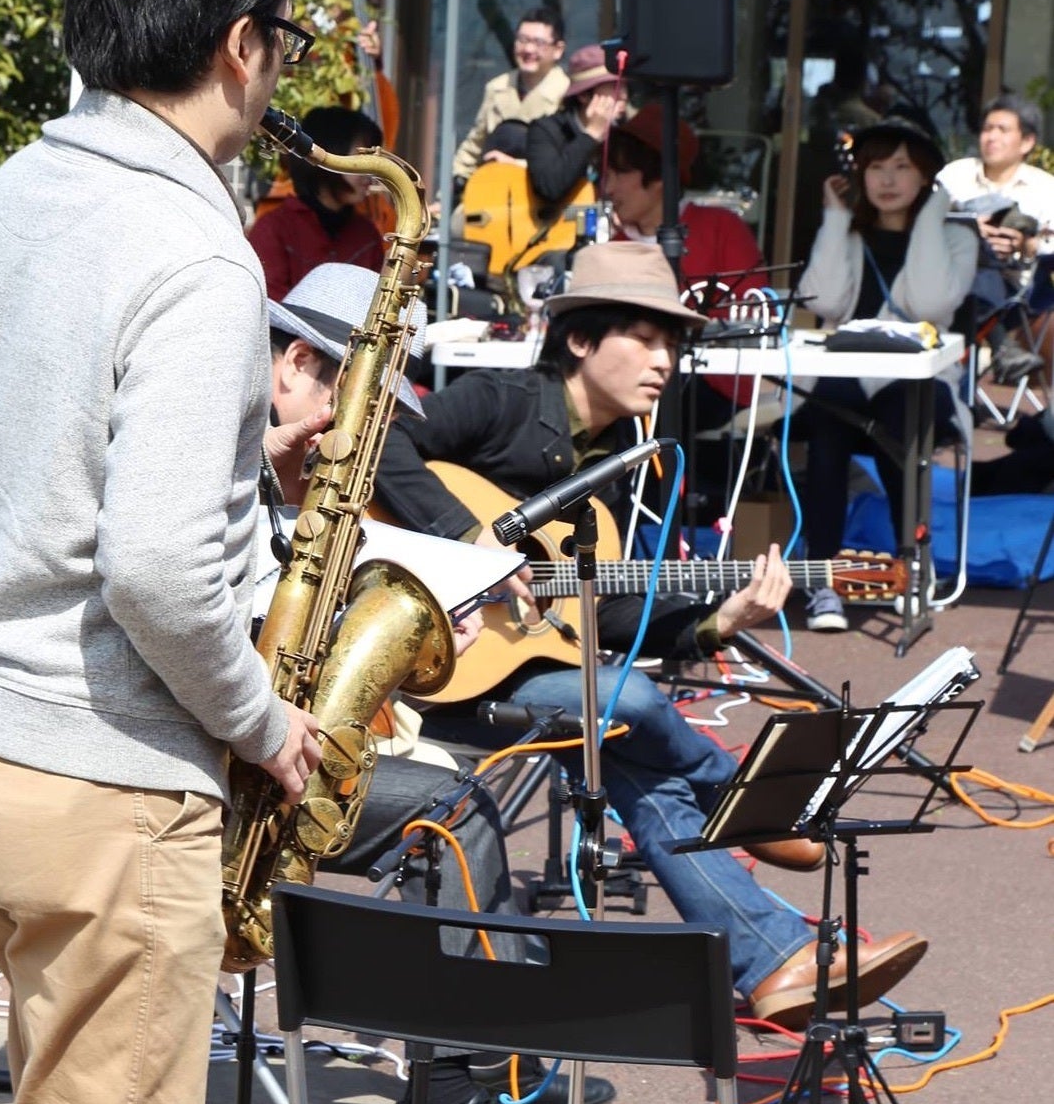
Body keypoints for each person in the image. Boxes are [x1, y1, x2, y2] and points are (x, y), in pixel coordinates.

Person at [0, 0, 325, 1104]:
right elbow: (153, 568)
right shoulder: (195, 251)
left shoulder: (10, 195)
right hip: (104, 769)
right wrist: (261, 721)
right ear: (240, 42)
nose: (282, 69)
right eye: (286, 37)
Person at [374, 241, 929, 1034]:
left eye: (671, 343)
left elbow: (599, 613)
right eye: (642, 338)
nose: (663, 360)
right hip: (426, 663)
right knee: (626, 699)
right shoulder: (499, 400)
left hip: (523, 671)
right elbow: (378, 440)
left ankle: (772, 961)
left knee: (633, 751)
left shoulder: (629, 460)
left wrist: (718, 621)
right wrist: (468, 537)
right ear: (578, 339)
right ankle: (738, 799)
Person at [266, 262, 616, 1104]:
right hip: (232, 753)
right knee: (451, 811)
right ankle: (462, 1083)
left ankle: (489, 1054)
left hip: (266, 738)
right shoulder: (226, 460)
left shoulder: (286, 463)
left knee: (459, 796)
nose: (362, 441)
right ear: (296, 364)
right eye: (356, 407)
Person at [796, 116, 978, 632]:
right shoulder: (849, 232)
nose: (888, 179)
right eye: (876, 167)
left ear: (926, 176)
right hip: (846, 380)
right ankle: (824, 578)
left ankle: (912, 566)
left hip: (923, 385)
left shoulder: (956, 237)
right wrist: (835, 219)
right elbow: (822, 302)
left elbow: (932, 304)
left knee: (904, 415)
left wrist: (932, 216)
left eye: (902, 167)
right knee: (827, 422)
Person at [602, 101, 769, 434]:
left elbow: (751, 315)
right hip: (628, 381)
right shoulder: (612, 243)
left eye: (620, 173)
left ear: (659, 177)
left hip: (711, 382)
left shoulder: (721, 227)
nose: (608, 188)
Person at [937, 93, 1054, 383]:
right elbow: (923, 222)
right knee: (971, 245)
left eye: (1002, 130)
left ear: (1027, 142)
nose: (991, 137)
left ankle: (961, 385)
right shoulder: (955, 176)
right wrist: (968, 229)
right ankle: (1001, 347)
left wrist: (1026, 245)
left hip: (1017, 292)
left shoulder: (1045, 188)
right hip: (948, 280)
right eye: (987, 129)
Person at [248, 104, 387, 301]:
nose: (371, 174)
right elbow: (271, 309)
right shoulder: (273, 229)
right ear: (333, 152)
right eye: (362, 158)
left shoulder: (367, 233)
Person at [451, 7, 569, 197]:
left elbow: (567, 162)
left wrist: (514, 165)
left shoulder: (568, 94)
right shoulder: (496, 88)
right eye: (522, 40)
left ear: (558, 49)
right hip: (492, 194)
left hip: (544, 200)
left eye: (538, 43)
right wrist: (448, 195)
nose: (528, 49)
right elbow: (474, 147)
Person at [525, 42, 629, 208]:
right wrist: (591, 134)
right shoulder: (547, 130)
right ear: (583, 96)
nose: (623, 95)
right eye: (614, 87)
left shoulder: (627, 132)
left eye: (624, 86)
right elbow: (549, 187)